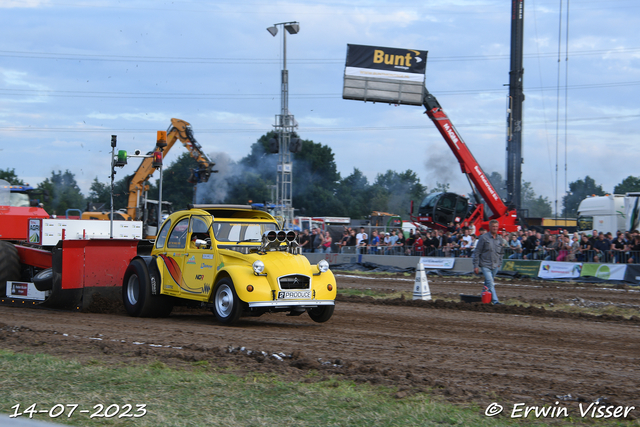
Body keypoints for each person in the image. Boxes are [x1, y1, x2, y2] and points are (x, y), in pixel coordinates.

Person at [473, 219, 505, 305]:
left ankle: (482, 298)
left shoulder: (499, 239)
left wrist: (499, 263)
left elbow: (501, 252)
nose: (495, 228)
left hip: (495, 265)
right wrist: (475, 265)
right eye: (493, 226)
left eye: (496, 227)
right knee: (490, 282)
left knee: (487, 283)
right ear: (490, 227)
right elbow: (477, 252)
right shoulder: (483, 237)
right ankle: (495, 301)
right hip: (485, 264)